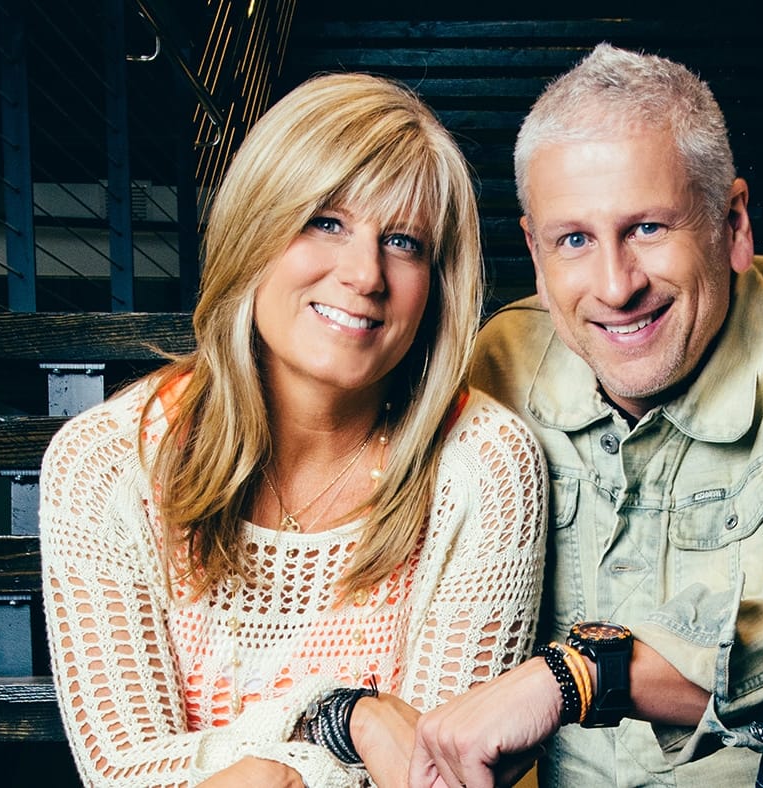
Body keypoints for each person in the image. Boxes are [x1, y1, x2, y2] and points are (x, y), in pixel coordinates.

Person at [410, 44, 763, 787]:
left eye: (648, 228)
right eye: (574, 240)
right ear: (536, 257)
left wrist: (588, 673)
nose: (616, 286)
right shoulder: (499, 363)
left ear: (732, 224)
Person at [38, 72, 547, 787]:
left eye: (403, 242)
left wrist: (283, 763)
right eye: (326, 222)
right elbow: (124, 773)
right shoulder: (107, 462)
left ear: (437, 284)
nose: (365, 275)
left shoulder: (485, 463)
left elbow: (437, 776)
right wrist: (344, 722)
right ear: (253, 228)